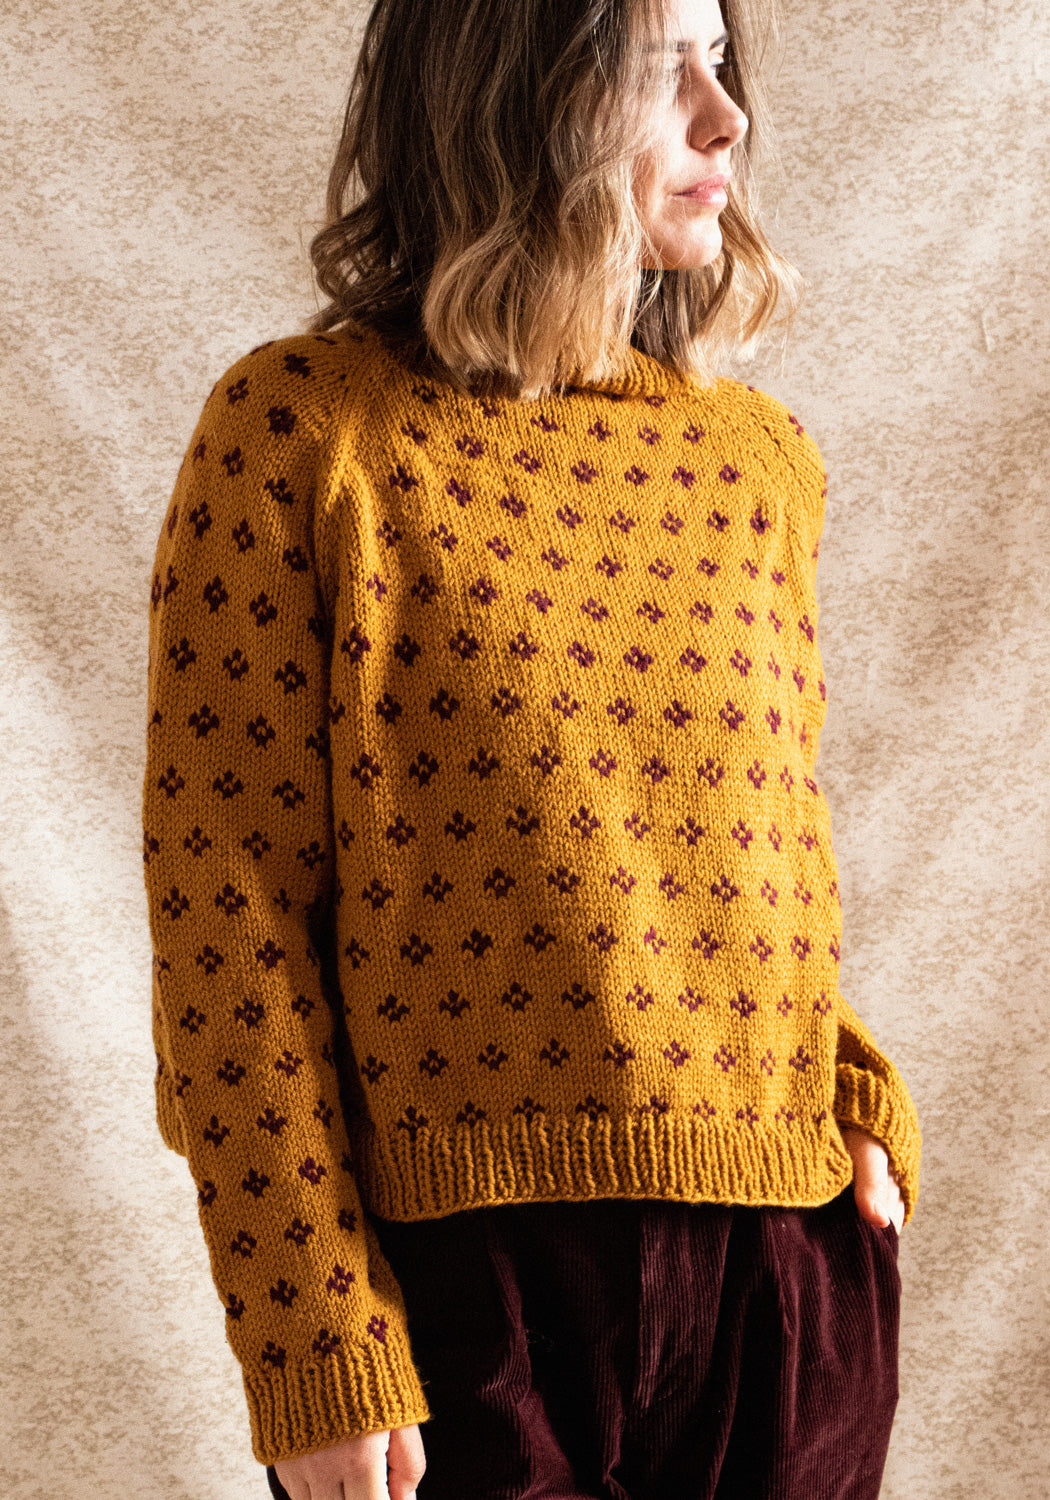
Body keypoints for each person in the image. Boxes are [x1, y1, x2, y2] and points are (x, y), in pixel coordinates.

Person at [141, 0, 921, 1495]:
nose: (725, 117)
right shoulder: (303, 437)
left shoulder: (758, 461)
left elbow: (755, 839)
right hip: (467, 1297)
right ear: (514, 95)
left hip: (789, 1277)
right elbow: (226, 925)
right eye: (657, 68)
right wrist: (309, 1332)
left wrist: (848, 1080)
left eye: (720, 60)